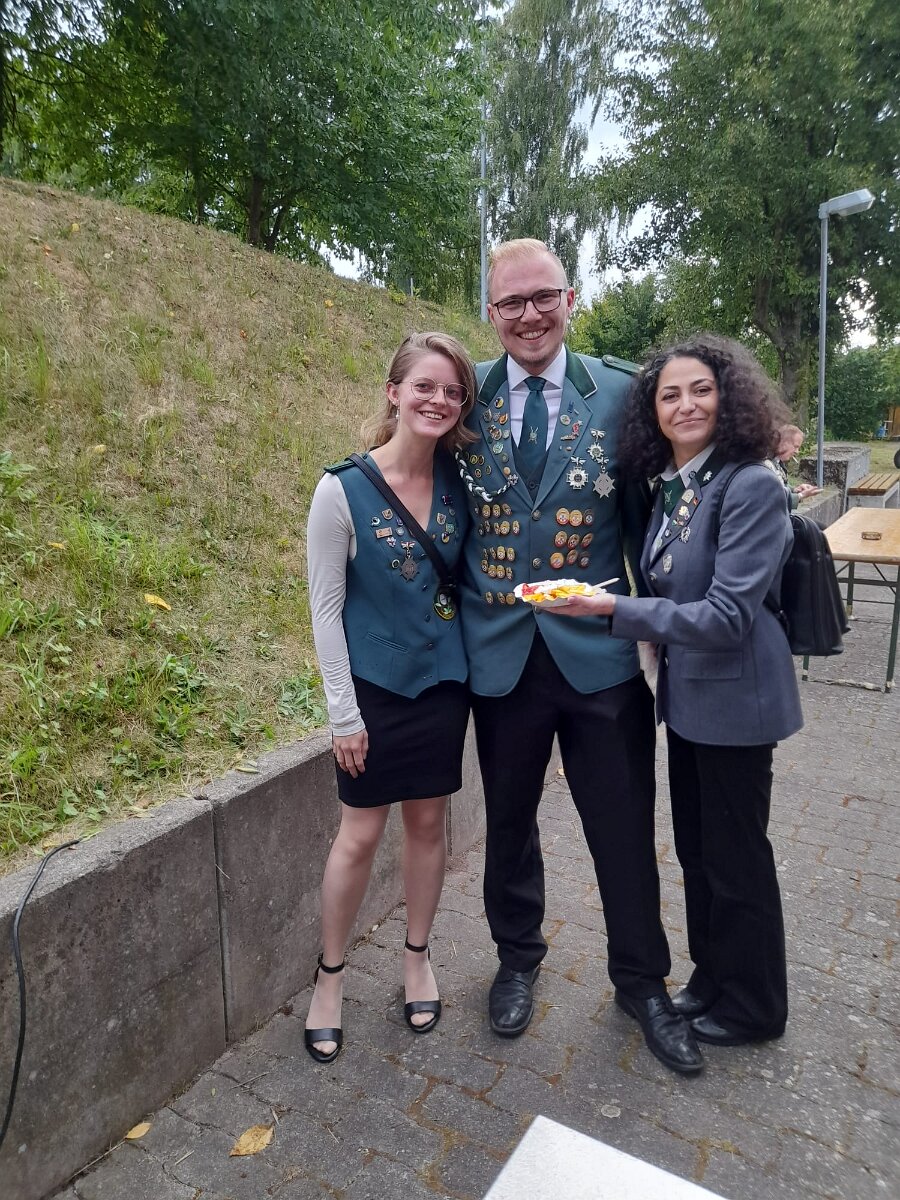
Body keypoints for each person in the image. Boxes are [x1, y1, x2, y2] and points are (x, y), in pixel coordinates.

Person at [457, 238, 702, 1075]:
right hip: (501, 657)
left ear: (570, 299)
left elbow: (652, 518)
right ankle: (516, 957)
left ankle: (642, 982)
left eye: (543, 297)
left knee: (623, 826)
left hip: (600, 658)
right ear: (491, 312)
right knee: (508, 824)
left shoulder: (625, 393)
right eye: (510, 302)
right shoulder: (466, 395)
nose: (528, 315)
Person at [552, 334, 803, 1046]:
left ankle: (755, 1006)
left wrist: (613, 609)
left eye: (701, 390)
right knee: (698, 852)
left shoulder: (751, 484)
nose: (686, 405)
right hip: (692, 702)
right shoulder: (681, 484)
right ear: (653, 412)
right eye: (670, 395)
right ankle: (713, 977)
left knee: (737, 857)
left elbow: (726, 616)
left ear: (729, 399)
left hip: (738, 702)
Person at [304, 332, 476, 1062]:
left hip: (442, 685)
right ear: (393, 392)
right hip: (372, 690)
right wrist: (343, 714)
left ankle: (416, 959)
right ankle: (330, 977)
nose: (438, 400)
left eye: (452, 390)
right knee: (360, 834)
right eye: (424, 386)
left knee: (429, 825)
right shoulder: (341, 490)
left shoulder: (463, 485)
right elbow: (325, 610)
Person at [772, 424, 820, 506]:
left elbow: (780, 487)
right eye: (795, 446)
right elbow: (773, 498)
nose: (797, 452)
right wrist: (800, 496)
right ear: (783, 443)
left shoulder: (777, 462)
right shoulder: (766, 465)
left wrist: (795, 490)